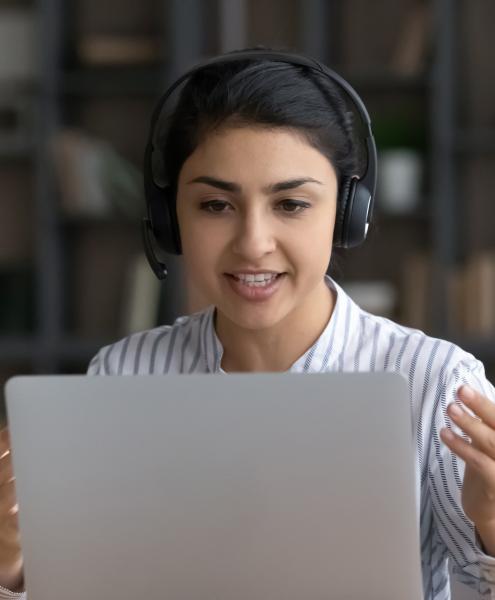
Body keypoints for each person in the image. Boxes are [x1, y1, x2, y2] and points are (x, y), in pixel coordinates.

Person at [0, 48, 494, 599]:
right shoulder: (123, 376)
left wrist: (491, 534)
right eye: (216, 205)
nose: (253, 244)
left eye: (291, 205)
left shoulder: (436, 385)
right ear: (169, 220)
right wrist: (15, 571)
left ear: (348, 213)